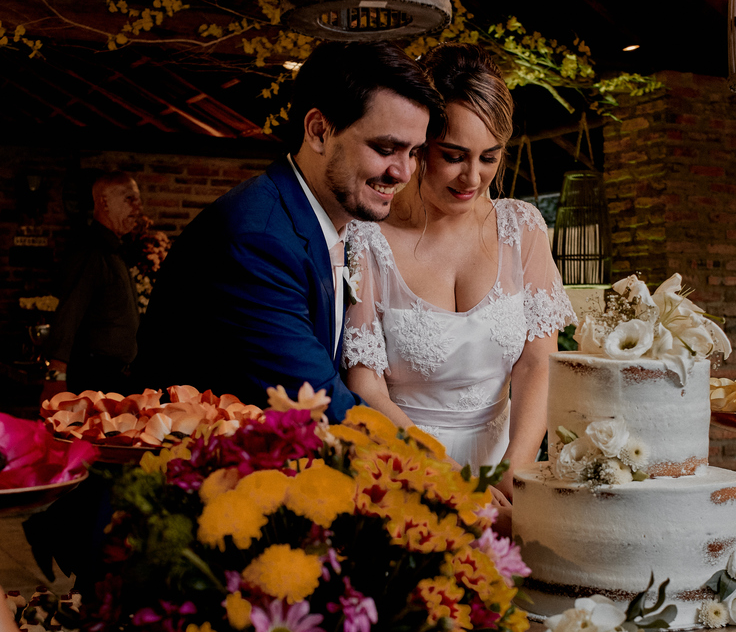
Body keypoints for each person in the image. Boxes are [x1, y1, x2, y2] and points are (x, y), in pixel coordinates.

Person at [135, 42, 442, 421]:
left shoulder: (331, 223)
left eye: (413, 152)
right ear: (318, 132)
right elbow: (320, 405)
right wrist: (444, 475)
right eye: (385, 148)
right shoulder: (258, 241)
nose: (404, 172)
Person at [342, 44, 575, 501]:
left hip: (507, 462)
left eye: (489, 157)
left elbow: (536, 363)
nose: (472, 177)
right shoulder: (367, 238)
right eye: (453, 155)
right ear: (419, 144)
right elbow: (364, 383)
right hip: (407, 465)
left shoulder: (522, 228)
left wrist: (516, 465)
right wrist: (445, 477)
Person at [44, 171, 142, 394]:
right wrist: (54, 378)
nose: (138, 208)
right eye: (129, 199)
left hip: (113, 377)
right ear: (104, 203)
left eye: (138, 199)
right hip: (95, 378)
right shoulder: (90, 252)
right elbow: (68, 315)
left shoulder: (113, 250)